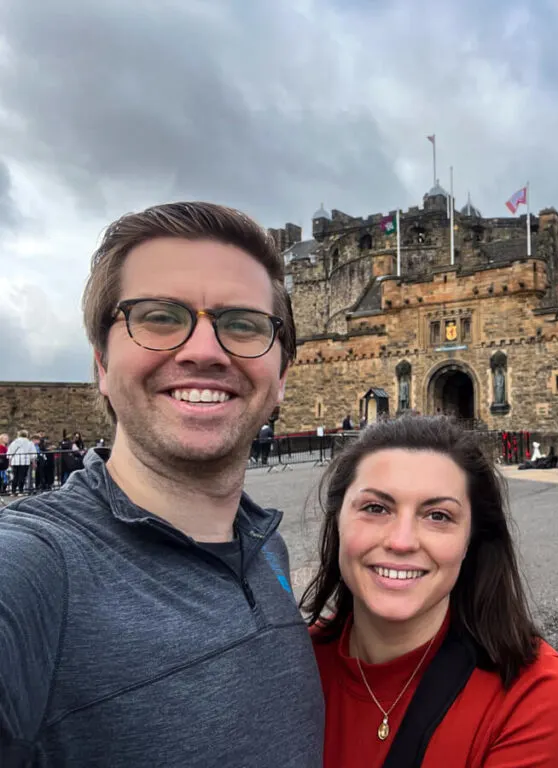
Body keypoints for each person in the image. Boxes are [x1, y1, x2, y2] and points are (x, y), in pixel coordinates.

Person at [0, 201, 324, 766]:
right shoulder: (38, 569)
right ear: (101, 362)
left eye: (243, 325)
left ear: (282, 379)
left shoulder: (264, 541)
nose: (203, 350)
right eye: (158, 317)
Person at [302, 415, 558, 767]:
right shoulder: (291, 667)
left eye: (438, 516)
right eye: (376, 508)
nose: (401, 541)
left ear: (471, 540)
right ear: (337, 520)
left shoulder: (532, 693)